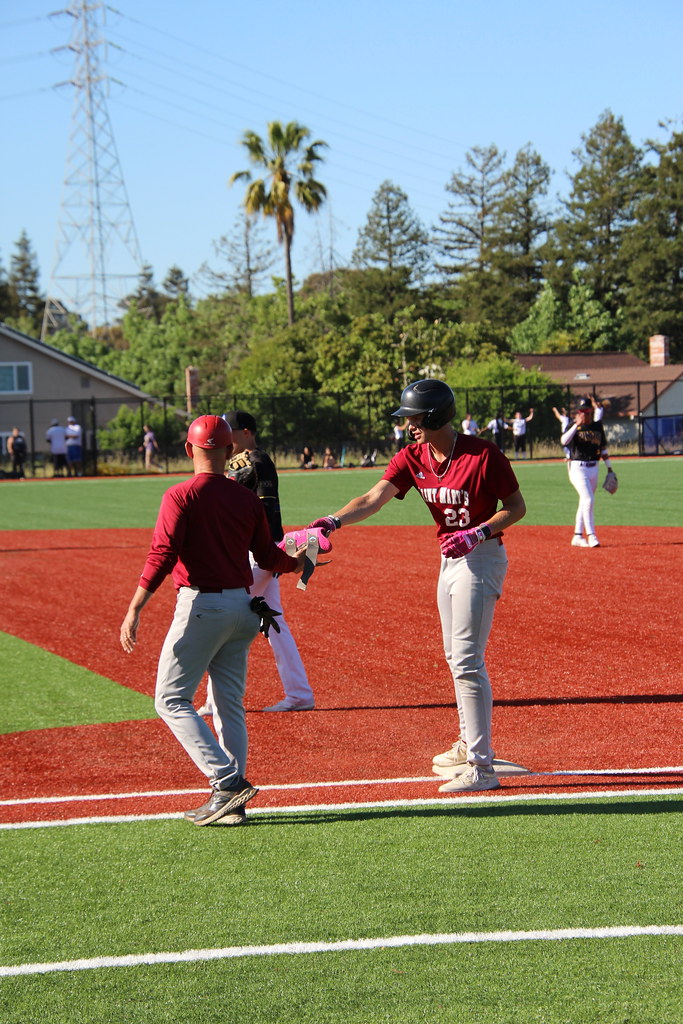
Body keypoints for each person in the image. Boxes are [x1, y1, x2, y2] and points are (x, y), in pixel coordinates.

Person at [306, 378, 527, 794]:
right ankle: (468, 746)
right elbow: (372, 498)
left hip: (480, 559)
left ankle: (482, 766)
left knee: (466, 659)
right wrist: (332, 521)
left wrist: (479, 532)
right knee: (453, 654)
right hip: (449, 559)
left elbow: (516, 507)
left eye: (414, 417)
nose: (409, 425)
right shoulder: (412, 456)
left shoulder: (483, 455)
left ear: (437, 416)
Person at [119, 414, 306, 826]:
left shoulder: (180, 495)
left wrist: (135, 608)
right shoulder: (245, 499)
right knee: (228, 706)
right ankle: (232, 804)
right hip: (243, 608)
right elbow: (268, 556)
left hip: (201, 608)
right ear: (228, 451)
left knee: (169, 700)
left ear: (189, 450)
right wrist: (297, 563)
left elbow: (162, 556)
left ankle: (227, 782)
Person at [198, 409, 316, 715]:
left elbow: (264, 515)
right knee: (275, 623)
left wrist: (270, 553)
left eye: (231, 430)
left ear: (247, 431)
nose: (226, 436)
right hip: (259, 552)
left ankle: (215, 700)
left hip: (260, 553)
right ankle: (300, 694)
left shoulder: (258, 460)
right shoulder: (241, 463)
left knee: (220, 613)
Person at [561, 397, 615, 548]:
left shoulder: (597, 426)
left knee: (584, 501)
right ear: (578, 413)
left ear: (591, 411)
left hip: (594, 467)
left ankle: (577, 536)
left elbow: (603, 448)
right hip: (577, 467)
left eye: (587, 411)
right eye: (581, 411)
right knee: (589, 500)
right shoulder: (574, 425)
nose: (584, 414)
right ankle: (591, 535)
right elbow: (564, 441)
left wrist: (609, 468)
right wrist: (575, 426)